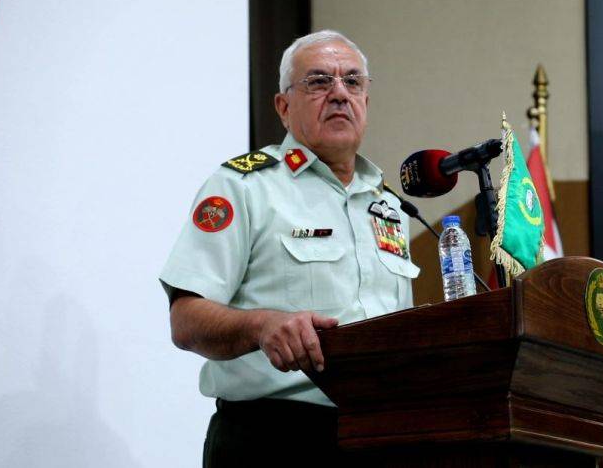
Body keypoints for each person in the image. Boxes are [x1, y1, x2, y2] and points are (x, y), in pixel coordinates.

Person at [159, 30, 420, 466]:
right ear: (283, 107)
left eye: (352, 82)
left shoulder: (389, 206)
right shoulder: (244, 186)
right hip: (273, 437)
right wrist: (262, 326)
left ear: (366, 101)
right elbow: (185, 320)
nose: (339, 94)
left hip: (381, 437)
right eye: (319, 81)